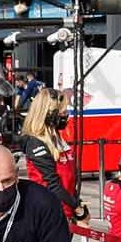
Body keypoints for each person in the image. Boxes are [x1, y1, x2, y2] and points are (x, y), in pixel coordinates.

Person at [15, 88, 86, 222]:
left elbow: (69, 178)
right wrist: (77, 208)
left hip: (66, 212)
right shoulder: (36, 142)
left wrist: (76, 202)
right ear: (48, 113)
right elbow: (52, 184)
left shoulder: (57, 138)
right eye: (62, 111)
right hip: (48, 214)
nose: (66, 115)